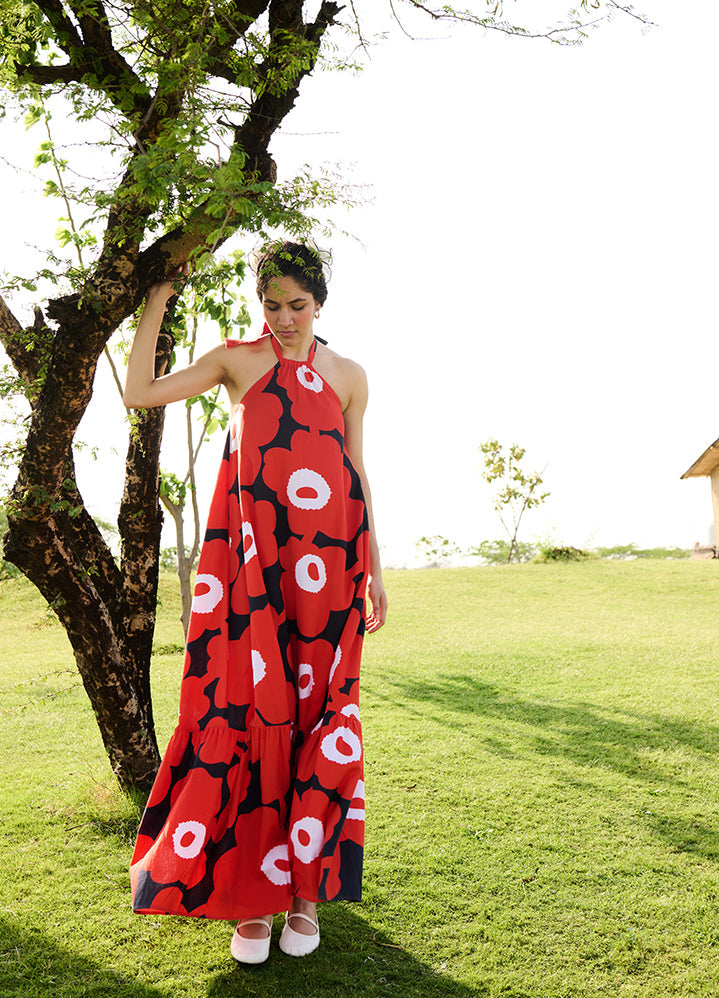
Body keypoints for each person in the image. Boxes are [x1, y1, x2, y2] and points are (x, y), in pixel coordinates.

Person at [125, 241, 387, 964]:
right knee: (244, 710)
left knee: (318, 719)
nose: (284, 320)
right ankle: (251, 896)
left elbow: (355, 474)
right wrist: (159, 297)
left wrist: (373, 570)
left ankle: (302, 896)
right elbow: (138, 394)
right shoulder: (237, 360)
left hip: (330, 572)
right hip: (249, 574)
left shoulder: (349, 377)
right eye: (270, 306)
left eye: (297, 306)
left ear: (320, 303)